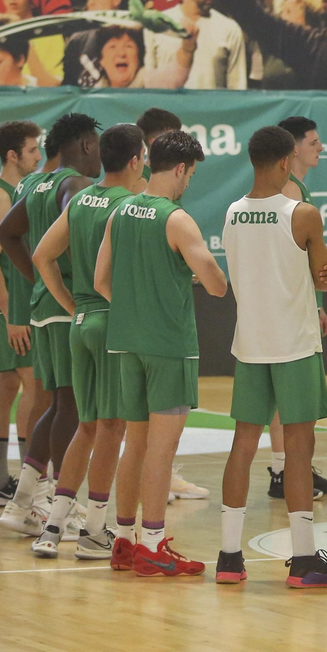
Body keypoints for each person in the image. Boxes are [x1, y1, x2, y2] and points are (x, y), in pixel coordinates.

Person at [215, 126, 327, 589]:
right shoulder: (303, 214)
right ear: (286, 161)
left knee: (243, 446)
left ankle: (229, 557)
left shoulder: (231, 212)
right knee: (298, 449)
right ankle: (304, 558)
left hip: (250, 345)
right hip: (293, 344)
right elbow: (322, 279)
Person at [96, 130, 227, 577]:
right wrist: (213, 281)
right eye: (191, 173)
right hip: (169, 346)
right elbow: (213, 281)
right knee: (161, 451)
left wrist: (134, 308)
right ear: (180, 168)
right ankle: (153, 544)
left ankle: (124, 541)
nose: (189, 181)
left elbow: (100, 280)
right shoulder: (177, 219)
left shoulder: (120, 211)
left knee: (135, 444)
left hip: (125, 342)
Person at [28, 124, 148, 560]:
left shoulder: (81, 199)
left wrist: (70, 301)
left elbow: (42, 255)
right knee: (113, 428)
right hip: (113, 321)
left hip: (79, 321)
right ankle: (96, 531)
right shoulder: (132, 205)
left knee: (86, 425)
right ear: (135, 160)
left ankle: (53, 527)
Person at [0, 113, 103, 536]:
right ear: (86, 145)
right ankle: (64, 505)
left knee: (57, 405)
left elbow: (8, 234)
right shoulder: (74, 185)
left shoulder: (35, 182)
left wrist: (38, 280)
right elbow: (73, 237)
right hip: (66, 306)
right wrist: (64, 284)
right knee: (71, 407)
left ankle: (20, 503)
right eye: (95, 145)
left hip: (44, 307)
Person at [266, 116, 327, 501]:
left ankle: (291, 468)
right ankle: (284, 471)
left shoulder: (294, 188)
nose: (321, 148)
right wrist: (311, 301)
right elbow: (297, 260)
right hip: (289, 306)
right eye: (314, 142)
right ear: (293, 149)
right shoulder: (291, 194)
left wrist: (317, 303)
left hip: (293, 302)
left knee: (286, 394)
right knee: (290, 394)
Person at [0, 120, 42, 506]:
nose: (39, 155)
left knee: (4, 386)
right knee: (34, 388)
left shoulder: (18, 192)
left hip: (14, 306)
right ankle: (29, 484)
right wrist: (10, 314)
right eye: (33, 150)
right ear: (12, 155)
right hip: (7, 308)